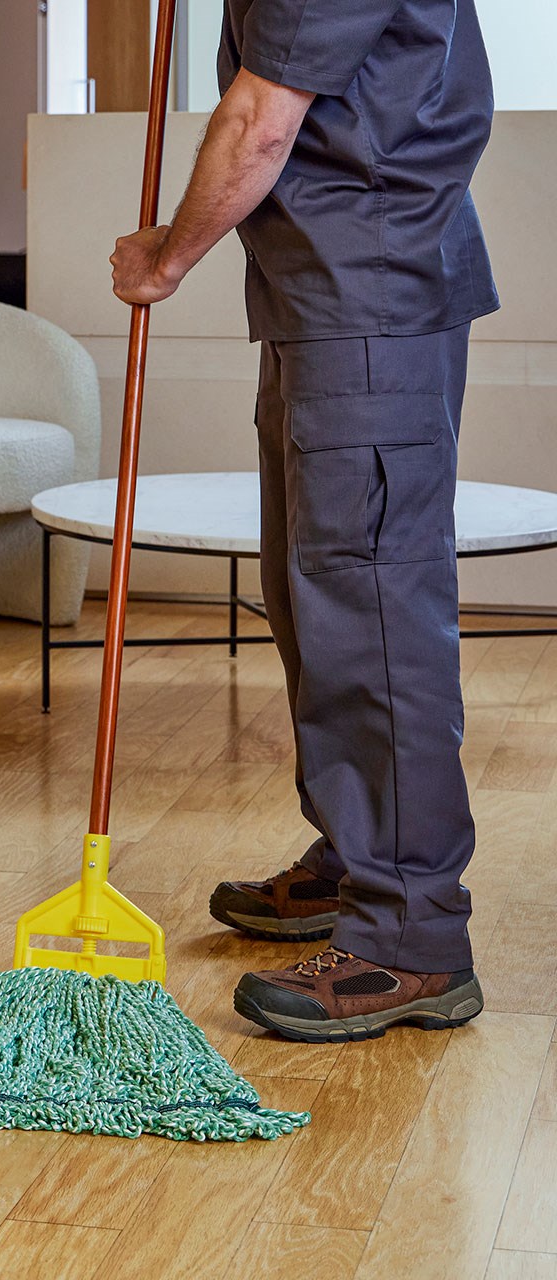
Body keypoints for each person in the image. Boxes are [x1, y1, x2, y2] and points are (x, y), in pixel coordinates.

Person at [110, 0, 498, 1043]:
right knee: (314, 595)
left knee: (370, 615)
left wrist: (165, 257)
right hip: (322, 298)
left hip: (365, 298)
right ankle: (355, 857)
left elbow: (259, 120)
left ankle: (410, 934)